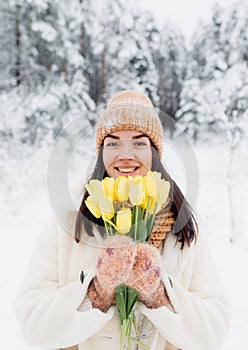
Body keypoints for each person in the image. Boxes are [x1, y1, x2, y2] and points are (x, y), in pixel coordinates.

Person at [16, 90, 232, 350]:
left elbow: (214, 331)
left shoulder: (181, 225)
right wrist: (98, 290)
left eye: (140, 143)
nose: (125, 154)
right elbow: (32, 325)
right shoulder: (69, 220)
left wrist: (159, 294)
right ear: (101, 152)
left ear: (154, 152)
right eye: (113, 143)